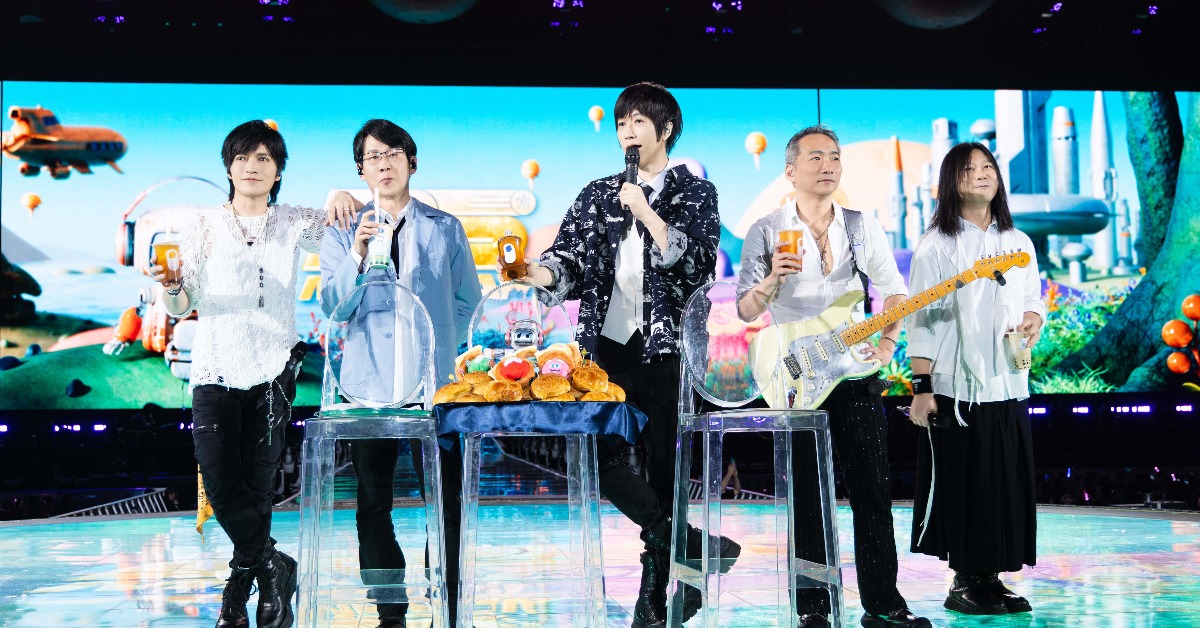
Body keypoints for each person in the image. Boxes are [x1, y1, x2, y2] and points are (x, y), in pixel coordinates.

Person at [518, 81, 734, 627]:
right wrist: (534, 272)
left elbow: (698, 265)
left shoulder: (695, 192)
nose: (628, 132)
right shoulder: (597, 194)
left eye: (639, 121)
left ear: (666, 130)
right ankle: (687, 543)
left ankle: (654, 599)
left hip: (668, 348)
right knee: (597, 456)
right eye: (621, 124)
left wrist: (648, 212)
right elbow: (567, 262)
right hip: (606, 348)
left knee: (665, 469)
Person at [154, 120, 354, 628]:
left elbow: (349, 224)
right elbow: (180, 305)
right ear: (228, 167)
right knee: (221, 485)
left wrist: (340, 193)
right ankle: (272, 565)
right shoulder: (203, 224)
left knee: (258, 487)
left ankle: (238, 595)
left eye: (264, 158)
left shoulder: (294, 221)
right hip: (215, 371)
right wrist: (171, 286)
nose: (252, 166)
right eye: (242, 157)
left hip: (273, 372)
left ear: (278, 171)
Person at [735, 125, 929, 628]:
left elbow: (895, 290)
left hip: (853, 370)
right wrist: (772, 278)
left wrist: (887, 343)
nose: (828, 166)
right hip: (796, 377)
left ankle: (884, 603)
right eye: (816, 157)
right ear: (790, 170)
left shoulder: (861, 226)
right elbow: (744, 309)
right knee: (807, 495)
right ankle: (813, 608)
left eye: (835, 157)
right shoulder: (765, 230)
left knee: (872, 487)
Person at [319, 118, 482, 628]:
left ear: (412, 162)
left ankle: (448, 601)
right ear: (361, 171)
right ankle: (390, 608)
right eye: (373, 157)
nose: (384, 164)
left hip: (435, 389)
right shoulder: (343, 229)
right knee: (373, 501)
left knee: (447, 499)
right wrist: (357, 252)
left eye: (393, 154)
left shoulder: (445, 226)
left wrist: (440, 350)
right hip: (369, 388)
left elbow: (468, 301)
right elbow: (334, 307)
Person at [906, 141, 1043, 616]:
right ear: (951, 182)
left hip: (1008, 383)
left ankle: (992, 577)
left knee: (1006, 482)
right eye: (969, 169)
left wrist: (1033, 319)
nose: (983, 174)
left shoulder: (1018, 241)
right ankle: (965, 580)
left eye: (988, 167)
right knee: (968, 483)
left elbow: (1033, 299)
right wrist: (922, 388)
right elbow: (920, 321)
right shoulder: (936, 246)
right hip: (956, 388)